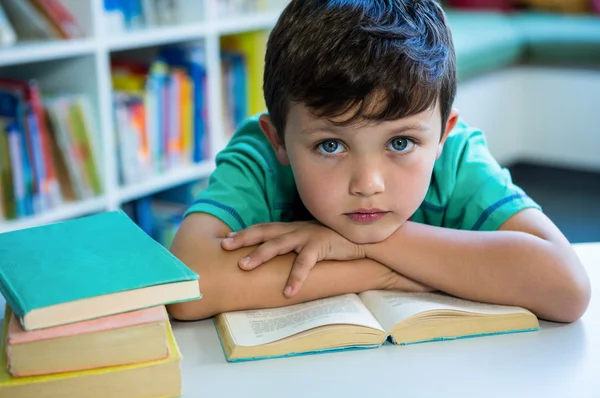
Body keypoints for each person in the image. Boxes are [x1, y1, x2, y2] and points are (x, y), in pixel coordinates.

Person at [167, 0, 590, 323]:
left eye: (401, 143)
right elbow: (188, 287)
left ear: (443, 134)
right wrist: (388, 272)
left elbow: (567, 288)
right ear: (278, 139)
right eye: (330, 146)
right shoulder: (260, 159)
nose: (368, 184)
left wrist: (356, 245)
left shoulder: (457, 158)